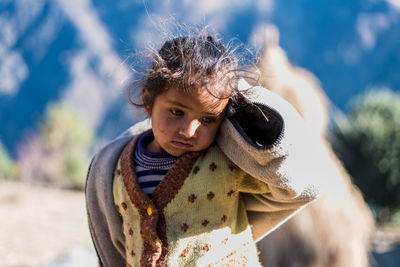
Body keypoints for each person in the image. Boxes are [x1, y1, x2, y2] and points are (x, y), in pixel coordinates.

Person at [85, 32, 322, 267]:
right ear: (147, 100)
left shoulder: (228, 163)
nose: (189, 131)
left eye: (208, 119)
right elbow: (116, 241)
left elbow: (294, 182)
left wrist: (253, 110)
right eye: (177, 112)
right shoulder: (115, 168)